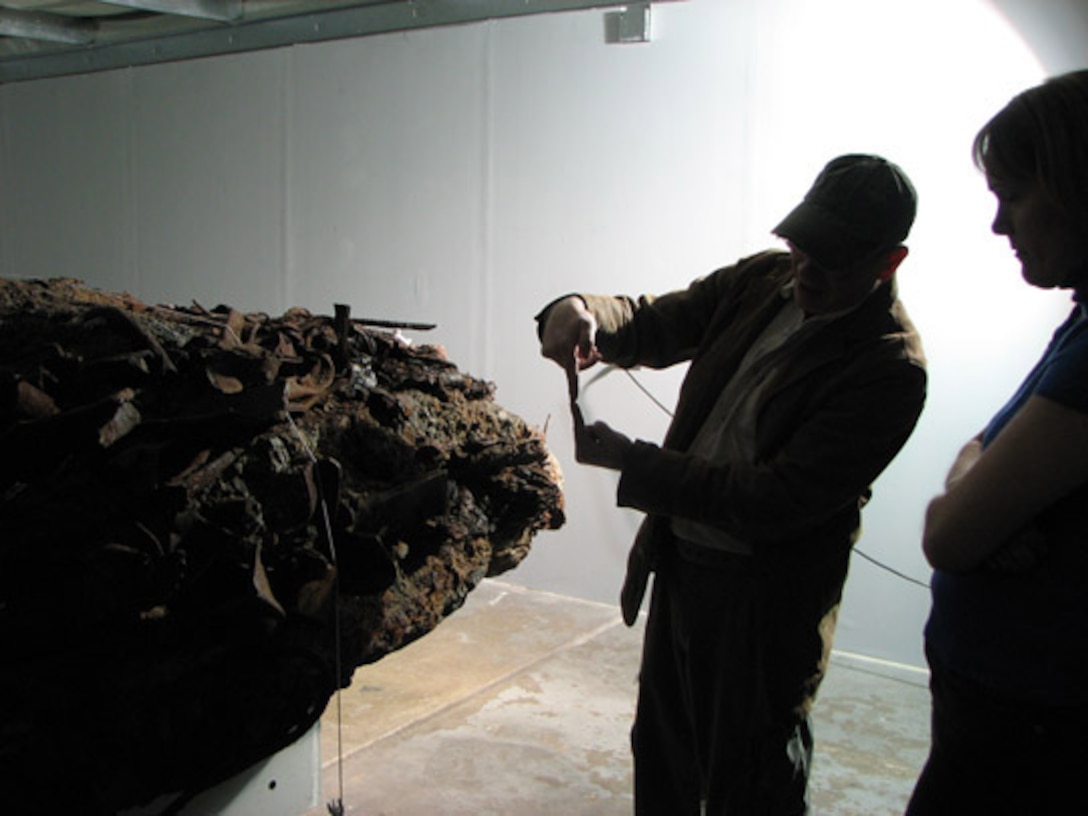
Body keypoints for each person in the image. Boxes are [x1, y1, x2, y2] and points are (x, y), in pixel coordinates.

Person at [536, 154, 927, 815]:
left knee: (749, 778)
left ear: (889, 262)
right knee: (663, 758)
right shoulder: (764, 280)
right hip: (682, 566)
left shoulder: (889, 366)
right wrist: (579, 311)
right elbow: (657, 320)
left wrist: (638, 463)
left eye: (830, 261)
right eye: (801, 249)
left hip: (761, 604)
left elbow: (774, 502)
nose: (805, 270)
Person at [906, 70, 1088, 815]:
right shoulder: (1080, 321)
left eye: (1014, 195)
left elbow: (949, 535)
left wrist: (977, 507)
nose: (999, 225)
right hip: (1010, 707)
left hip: (1035, 724)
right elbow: (980, 448)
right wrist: (982, 486)